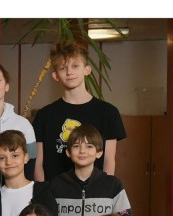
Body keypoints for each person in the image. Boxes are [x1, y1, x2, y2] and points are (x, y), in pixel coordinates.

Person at [33, 40, 126, 181]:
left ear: (87, 70)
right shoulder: (44, 116)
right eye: (63, 68)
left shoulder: (108, 113)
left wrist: (104, 190)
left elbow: (109, 160)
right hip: (54, 192)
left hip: (95, 191)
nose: (69, 72)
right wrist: (43, 191)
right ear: (55, 76)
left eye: (75, 66)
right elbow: (38, 163)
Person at [49, 124, 131, 216]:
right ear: (68, 152)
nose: (82, 151)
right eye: (76, 146)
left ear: (99, 153)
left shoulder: (112, 185)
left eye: (89, 146)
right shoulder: (55, 186)